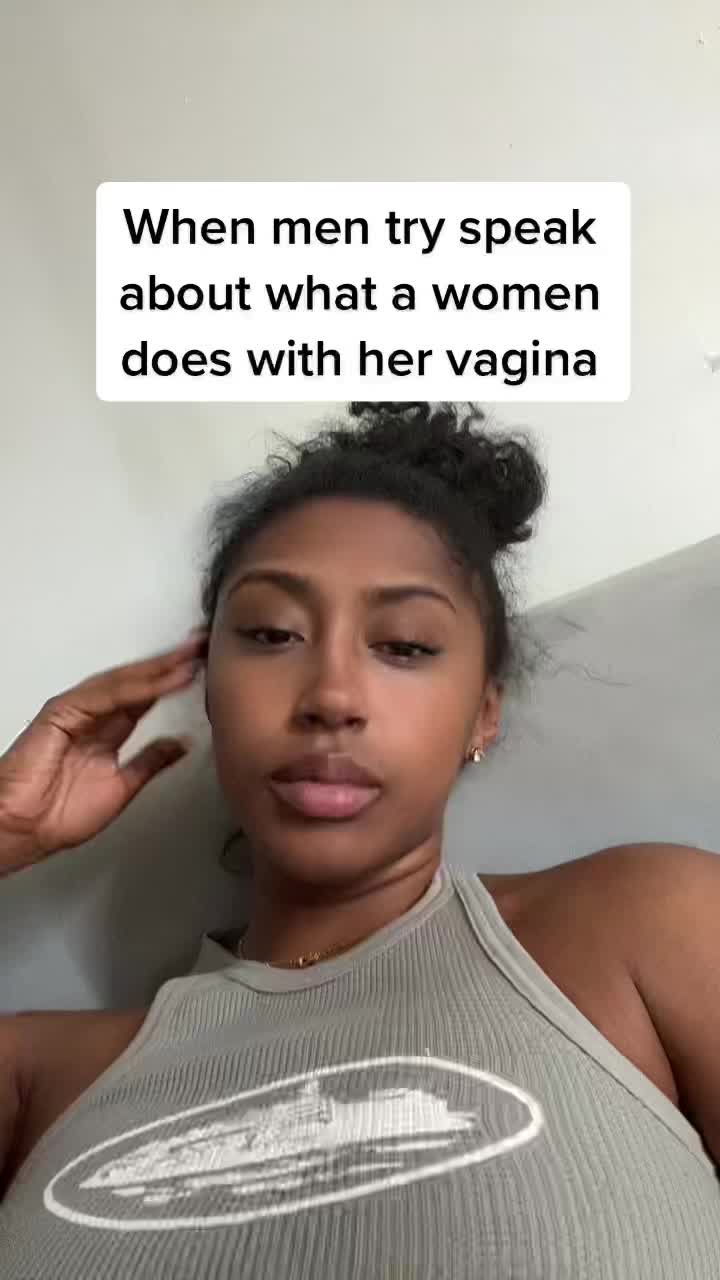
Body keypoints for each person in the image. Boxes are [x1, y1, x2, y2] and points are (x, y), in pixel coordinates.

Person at [0, 401, 718, 1278]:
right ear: (211, 690)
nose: (332, 696)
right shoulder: (43, 1073)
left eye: (405, 646)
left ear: (482, 713)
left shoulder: (650, 926)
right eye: (272, 634)